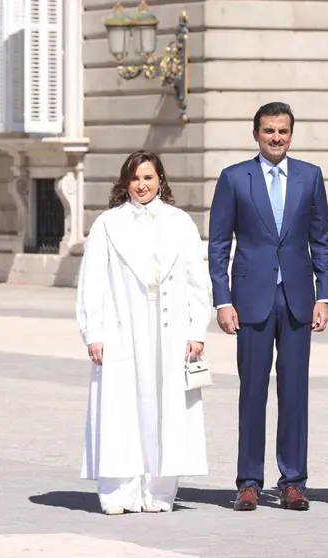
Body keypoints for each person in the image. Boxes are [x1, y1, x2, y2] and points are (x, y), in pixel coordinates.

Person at [208, 102, 328, 512]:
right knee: (252, 390)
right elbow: (218, 246)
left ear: (291, 134)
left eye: (283, 131)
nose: (276, 137)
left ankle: (293, 481)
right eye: (269, 131)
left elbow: (322, 241)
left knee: (295, 391)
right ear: (256, 134)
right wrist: (223, 299)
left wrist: (325, 294)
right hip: (251, 300)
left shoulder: (310, 177)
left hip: (298, 298)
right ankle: (248, 481)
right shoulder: (233, 179)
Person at [76, 149, 211, 515]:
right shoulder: (107, 224)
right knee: (121, 407)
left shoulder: (181, 223)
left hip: (169, 327)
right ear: (125, 183)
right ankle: (118, 491)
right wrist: (94, 332)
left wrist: (197, 329)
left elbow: (197, 282)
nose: (142, 185)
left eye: (148, 178)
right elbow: (92, 281)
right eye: (135, 178)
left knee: (165, 407)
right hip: (123, 324)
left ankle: (159, 491)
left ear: (161, 181)